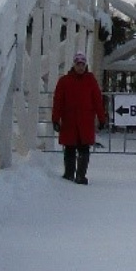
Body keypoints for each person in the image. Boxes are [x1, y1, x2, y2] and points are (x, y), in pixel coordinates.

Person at [52, 51, 106, 184]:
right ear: (74, 65)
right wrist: (55, 119)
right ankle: (69, 174)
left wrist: (102, 118)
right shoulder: (64, 81)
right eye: (78, 64)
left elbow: (97, 101)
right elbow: (58, 101)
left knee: (84, 148)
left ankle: (81, 175)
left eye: (82, 64)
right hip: (69, 120)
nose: (80, 67)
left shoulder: (90, 80)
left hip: (85, 121)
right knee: (69, 148)